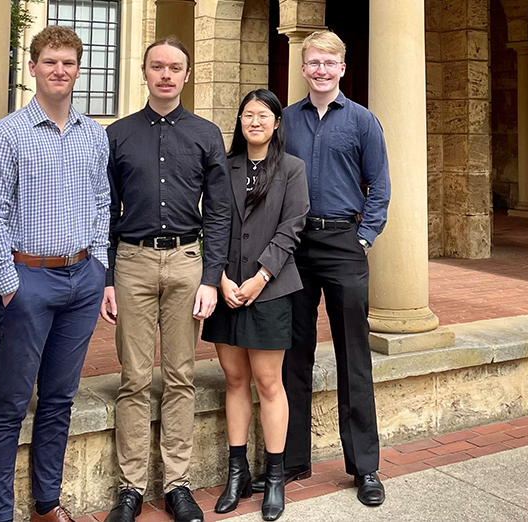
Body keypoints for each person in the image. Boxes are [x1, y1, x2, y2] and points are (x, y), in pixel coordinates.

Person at [0, 26, 110, 522]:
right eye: (50, 61)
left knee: (59, 398)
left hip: (81, 279)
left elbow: (102, 202)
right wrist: (10, 285)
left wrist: (98, 262)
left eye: (69, 63)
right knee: (10, 403)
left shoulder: (93, 134)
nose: (60, 70)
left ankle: (46, 504)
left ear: (79, 70)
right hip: (26, 281)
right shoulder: (5, 135)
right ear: (32, 67)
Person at [99, 37, 233, 522]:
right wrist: (109, 277)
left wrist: (210, 277)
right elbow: (103, 211)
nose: (166, 75)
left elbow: (218, 212)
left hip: (186, 263)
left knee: (180, 376)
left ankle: (177, 483)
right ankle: (131, 488)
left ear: (187, 75)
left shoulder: (205, 133)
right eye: (157, 66)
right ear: (144, 71)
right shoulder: (117, 135)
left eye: (175, 67)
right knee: (134, 379)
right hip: (132, 261)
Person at [261, 30, 391, 507]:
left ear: (340, 67)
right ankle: (292, 460)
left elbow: (379, 185)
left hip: (342, 242)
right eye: (312, 62)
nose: (319, 70)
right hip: (293, 245)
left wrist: (363, 237)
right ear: (302, 68)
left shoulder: (361, 121)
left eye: (327, 63)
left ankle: (365, 467)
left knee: (353, 354)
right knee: (293, 352)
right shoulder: (285, 122)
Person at [202, 89, 309, 521]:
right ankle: (236, 473)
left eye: (263, 115)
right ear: (240, 121)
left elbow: (292, 227)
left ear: (277, 122)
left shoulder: (292, 169)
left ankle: (276, 476)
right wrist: (222, 277)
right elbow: (213, 223)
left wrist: (260, 276)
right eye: (248, 115)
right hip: (227, 288)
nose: (255, 121)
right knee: (234, 379)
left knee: (269, 383)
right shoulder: (223, 168)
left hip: (272, 288)